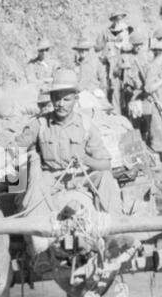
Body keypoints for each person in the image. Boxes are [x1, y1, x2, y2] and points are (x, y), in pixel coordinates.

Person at [22, 68, 120, 221]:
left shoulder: (87, 126)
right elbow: (13, 150)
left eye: (66, 100)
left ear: (76, 99)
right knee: (34, 185)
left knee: (106, 178)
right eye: (57, 99)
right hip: (51, 180)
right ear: (52, 99)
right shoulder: (40, 125)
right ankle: (38, 235)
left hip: (80, 178)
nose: (61, 104)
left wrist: (86, 160)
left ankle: (115, 228)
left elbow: (106, 165)